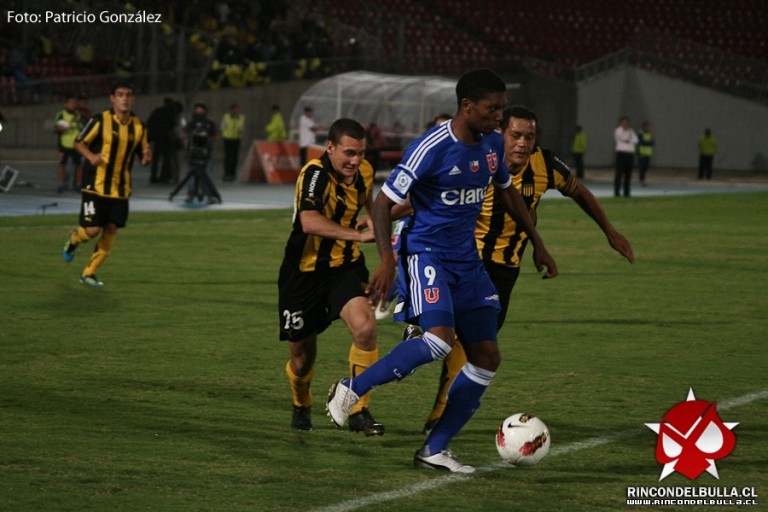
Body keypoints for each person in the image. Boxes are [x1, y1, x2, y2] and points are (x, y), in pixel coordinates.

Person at [326, 69, 558, 473]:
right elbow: (383, 204)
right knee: (439, 342)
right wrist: (386, 260)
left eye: (501, 109)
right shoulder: (431, 148)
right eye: (492, 109)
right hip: (426, 254)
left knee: (487, 356)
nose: (498, 118)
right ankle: (351, 388)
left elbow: (506, 191)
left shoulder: (490, 146)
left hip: (467, 261)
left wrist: (537, 243)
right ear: (467, 106)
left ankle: (434, 449)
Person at [419, 105, 635, 434]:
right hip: (468, 259)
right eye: (515, 135)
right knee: (463, 340)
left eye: (529, 137)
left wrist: (610, 231)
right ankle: (437, 411)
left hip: (507, 267)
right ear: (500, 135)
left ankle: (440, 400)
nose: (522, 143)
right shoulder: (479, 157)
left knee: (480, 348)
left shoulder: (545, 164)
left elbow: (580, 192)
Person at [278, 118, 384, 436]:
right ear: (330, 147)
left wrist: (377, 223)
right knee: (301, 360)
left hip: (345, 268)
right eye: (349, 153)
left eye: (361, 154)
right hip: (303, 275)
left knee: (365, 329)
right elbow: (309, 222)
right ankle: (302, 403)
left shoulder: (364, 173)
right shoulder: (313, 175)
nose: (355, 161)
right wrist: (357, 234)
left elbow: (372, 210)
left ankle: (358, 409)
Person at [61, 81, 151, 287]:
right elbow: (78, 142)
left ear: (133, 98)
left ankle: (89, 273)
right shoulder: (100, 120)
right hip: (96, 185)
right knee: (92, 230)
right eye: (120, 94)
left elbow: (144, 158)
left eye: (128, 94)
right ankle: (74, 240)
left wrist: (147, 157)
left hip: (121, 188)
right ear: (112, 98)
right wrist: (91, 156)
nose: (125, 98)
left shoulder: (139, 126)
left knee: (110, 230)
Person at [184, 103, 219, 203]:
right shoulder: (191, 123)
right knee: (191, 174)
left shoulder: (210, 123)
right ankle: (191, 193)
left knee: (208, 174)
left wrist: (206, 139)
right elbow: (185, 135)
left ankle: (210, 195)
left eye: (201, 111)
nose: (198, 113)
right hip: (192, 153)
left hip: (206, 153)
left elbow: (216, 136)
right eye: (197, 111)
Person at [54, 95, 84, 193]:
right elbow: (57, 128)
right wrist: (68, 126)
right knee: (62, 164)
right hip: (64, 144)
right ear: (66, 104)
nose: (73, 105)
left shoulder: (78, 115)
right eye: (70, 103)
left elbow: (82, 127)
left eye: (74, 103)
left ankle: (78, 184)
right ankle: (61, 184)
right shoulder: (61, 115)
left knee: (79, 164)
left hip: (76, 144)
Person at [146, 97, 179, 183]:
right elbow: (173, 124)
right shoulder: (172, 111)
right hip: (166, 137)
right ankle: (164, 176)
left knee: (156, 158)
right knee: (166, 158)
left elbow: (149, 122)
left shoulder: (158, 111)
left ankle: (153, 176)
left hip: (157, 137)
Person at [613, 115, 638, 197]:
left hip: (629, 155)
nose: (625, 124)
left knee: (628, 174)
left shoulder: (631, 131)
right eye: (623, 122)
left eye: (626, 122)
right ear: (621, 123)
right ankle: (617, 192)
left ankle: (626, 192)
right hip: (621, 154)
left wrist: (629, 140)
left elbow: (636, 140)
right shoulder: (618, 130)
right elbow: (622, 139)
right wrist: (630, 140)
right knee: (619, 174)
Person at [220, 103, 245, 181]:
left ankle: (233, 173)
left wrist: (241, 132)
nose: (236, 111)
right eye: (234, 109)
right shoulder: (226, 117)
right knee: (228, 157)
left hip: (236, 138)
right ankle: (227, 173)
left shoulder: (241, 117)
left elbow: (242, 127)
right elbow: (222, 126)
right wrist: (224, 132)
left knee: (235, 157)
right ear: (231, 110)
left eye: (237, 109)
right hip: (227, 138)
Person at [637, 121, 654, 186]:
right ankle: (642, 180)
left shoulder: (649, 134)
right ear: (643, 127)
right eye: (646, 126)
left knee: (646, 167)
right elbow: (641, 143)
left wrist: (647, 142)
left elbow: (653, 142)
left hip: (648, 153)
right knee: (642, 167)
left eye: (648, 126)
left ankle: (642, 179)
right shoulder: (640, 134)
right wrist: (648, 142)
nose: (647, 127)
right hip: (642, 153)